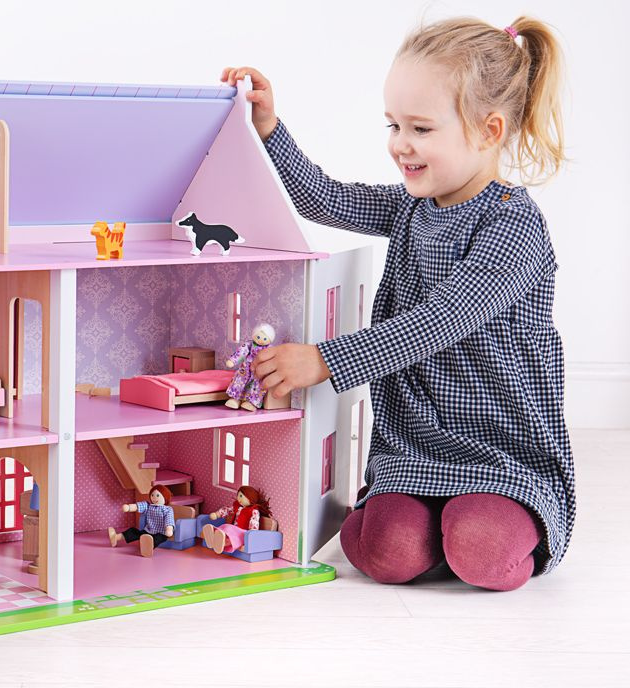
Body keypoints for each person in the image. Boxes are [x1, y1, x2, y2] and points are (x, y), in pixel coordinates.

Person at [224, 15, 574, 591]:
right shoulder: (413, 207)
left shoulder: (512, 226)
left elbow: (443, 319)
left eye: (421, 128)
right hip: (414, 446)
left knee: (484, 552)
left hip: (498, 451)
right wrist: (269, 130)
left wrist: (326, 359)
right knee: (381, 553)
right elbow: (324, 198)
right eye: (393, 125)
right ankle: (432, 526)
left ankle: (495, 522)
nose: (400, 145)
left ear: (489, 131)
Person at [108, 485, 175, 558]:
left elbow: (169, 519)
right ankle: (116, 537)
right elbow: (138, 506)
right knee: (134, 532)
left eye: (157, 495)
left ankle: (147, 548)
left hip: (161, 533)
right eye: (152, 495)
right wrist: (129, 507)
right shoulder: (148, 506)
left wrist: (169, 528)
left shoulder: (167, 509)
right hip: (148, 530)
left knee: (157, 539)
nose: (154, 497)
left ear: (165, 497)